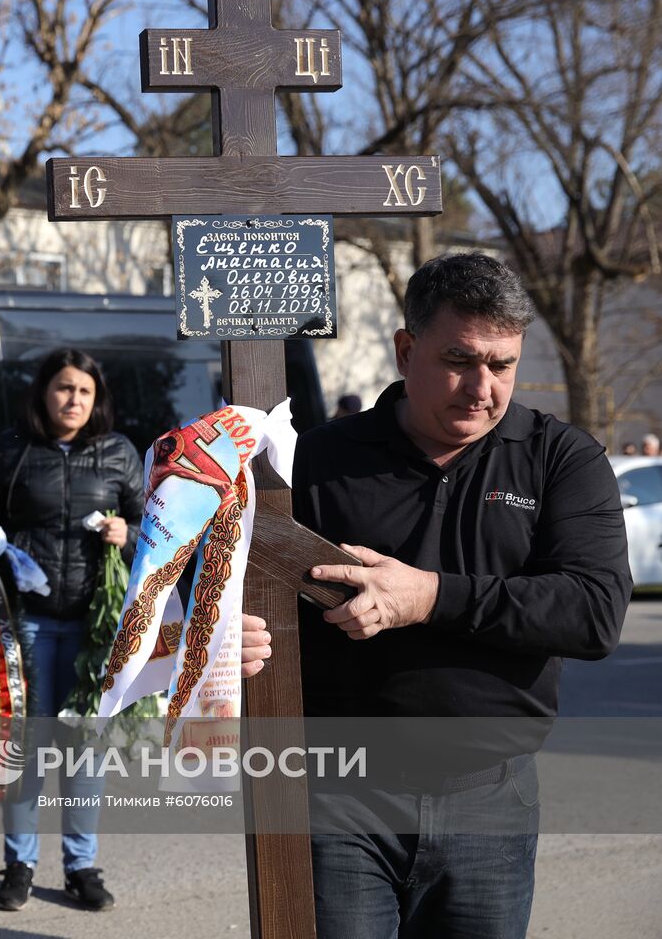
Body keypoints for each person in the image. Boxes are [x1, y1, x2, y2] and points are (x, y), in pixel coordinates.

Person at [244, 254, 631, 939]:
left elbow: (592, 614)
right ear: (404, 349)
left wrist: (424, 597)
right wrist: (231, 638)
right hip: (338, 799)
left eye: (502, 364)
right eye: (459, 359)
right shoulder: (316, 461)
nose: (482, 387)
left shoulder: (560, 459)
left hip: (490, 797)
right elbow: (238, 590)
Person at [0, 348, 143, 913]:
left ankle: (81, 865)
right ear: (44, 393)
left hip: (93, 627)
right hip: (28, 622)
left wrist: (130, 529)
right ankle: (18, 864)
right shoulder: (11, 450)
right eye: (63, 389)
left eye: (84, 392)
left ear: (96, 400)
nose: (73, 400)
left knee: (83, 751)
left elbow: (152, 525)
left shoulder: (119, 453)